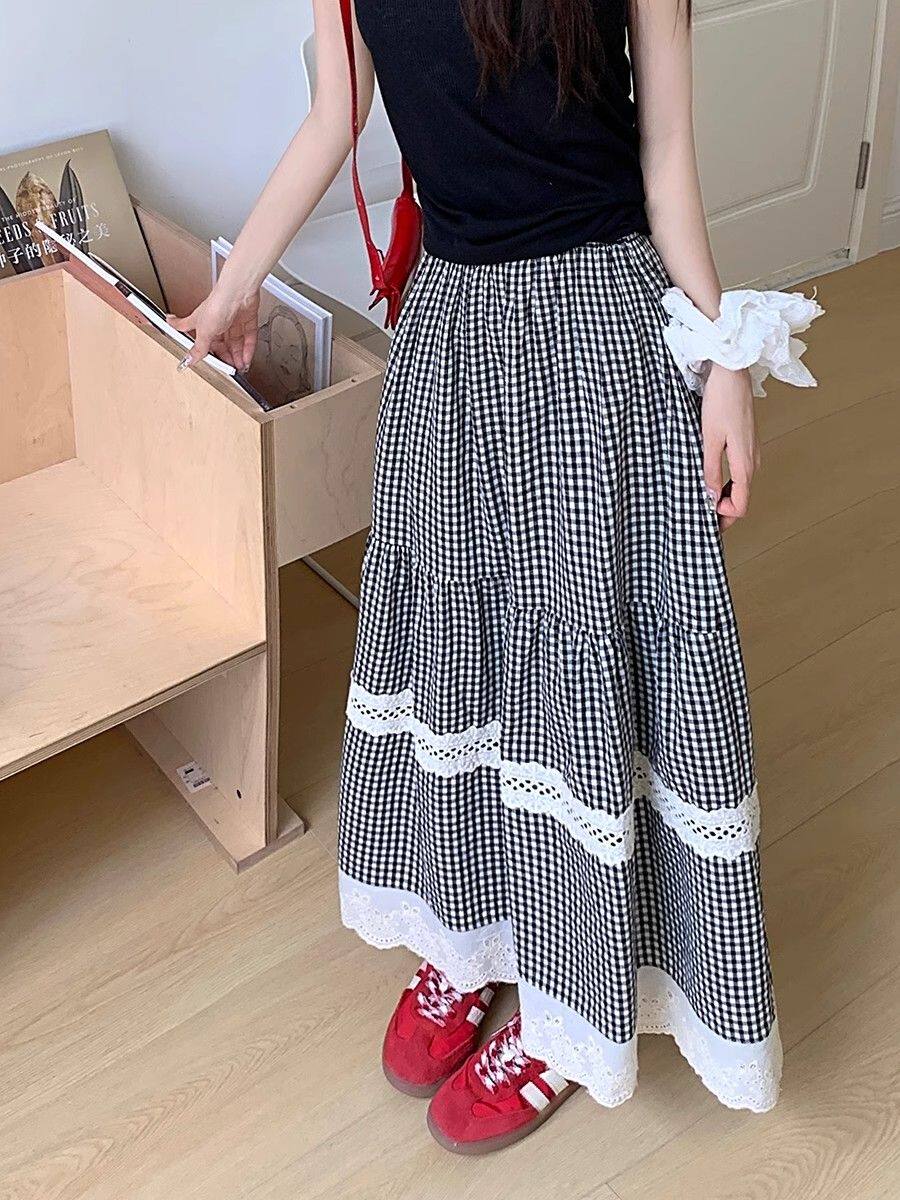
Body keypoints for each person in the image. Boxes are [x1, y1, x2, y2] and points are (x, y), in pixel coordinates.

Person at [173, 0, 823, 1155]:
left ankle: (571, 1007)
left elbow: (667, 153)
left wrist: (726, 360)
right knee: (461, 663)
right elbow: (336, 115)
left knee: (574, 687)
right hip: (455, 326)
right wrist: (237, 288)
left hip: (597, 327)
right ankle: (473, 934)